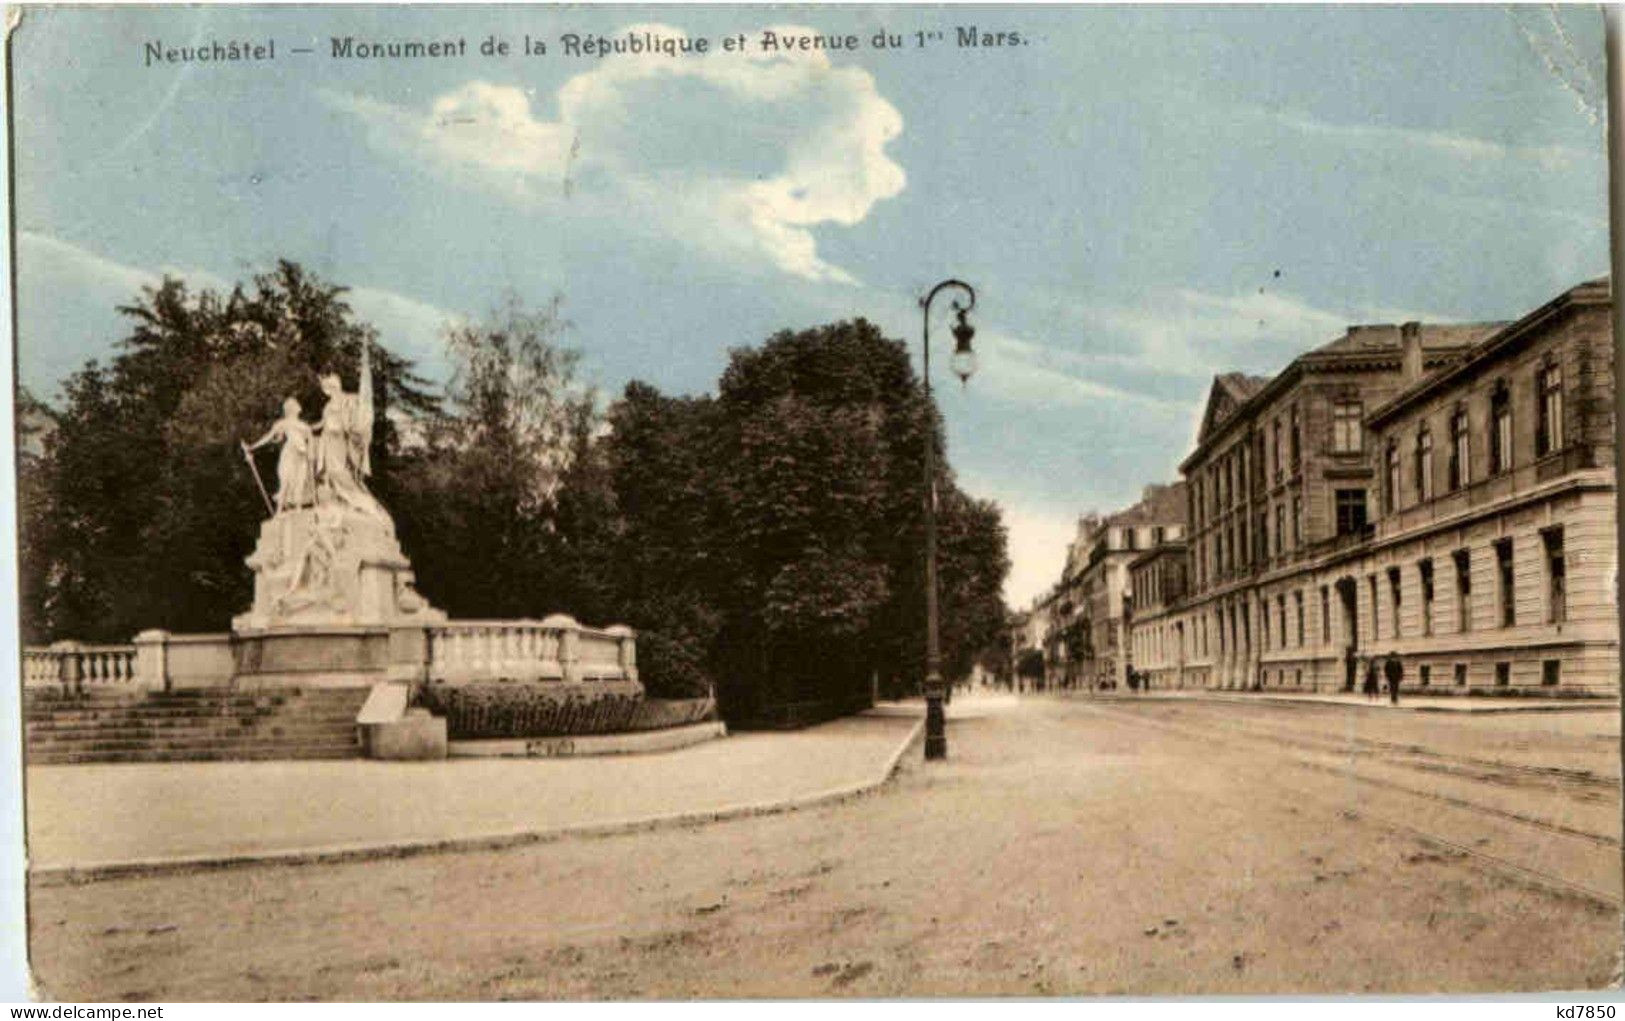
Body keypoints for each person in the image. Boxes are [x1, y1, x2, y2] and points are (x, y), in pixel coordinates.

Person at [243, 397, 314, 515]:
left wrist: (311, 455)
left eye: (296, 405)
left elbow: (310, 440)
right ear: (290, 409)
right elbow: (268, 437)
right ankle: (279, 510)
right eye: (294, 405)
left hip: (302, 455)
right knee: (285, 480)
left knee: (300, 481)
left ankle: (298, 508)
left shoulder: (304, 426)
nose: (297, 407)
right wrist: (252, 447)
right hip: (290, 453)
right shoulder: (283, 423)